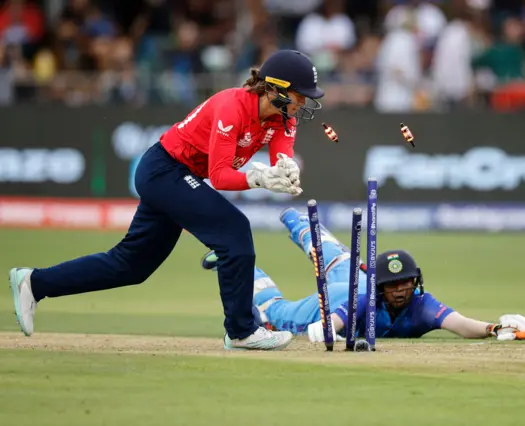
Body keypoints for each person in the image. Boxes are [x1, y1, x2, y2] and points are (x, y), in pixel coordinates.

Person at [9, 49, 325, 351]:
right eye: (300, 94)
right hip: (163, 170)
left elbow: (282, 155)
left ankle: (35, 283)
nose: (304, 101)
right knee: (234, 230)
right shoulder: (233, 107)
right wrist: (259, 178)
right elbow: (219, 175)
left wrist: (286, 169)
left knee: (131, 265)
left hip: (177, 178)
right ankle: (241, 331)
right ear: (274, 89)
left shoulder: (284, 118)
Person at [201, 208, 525, 342]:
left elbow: (460, 324)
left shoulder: (422, 306)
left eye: (406, 282)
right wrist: (323, 329)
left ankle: (292, 223)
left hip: (357, 276)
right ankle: (278, 230)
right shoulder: (365, 301)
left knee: (336, 255)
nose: (402, 290)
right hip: (336, 301)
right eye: (394, 285)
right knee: (275, 314)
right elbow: (336, 322)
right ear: (381, 287)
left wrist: (494, 328)